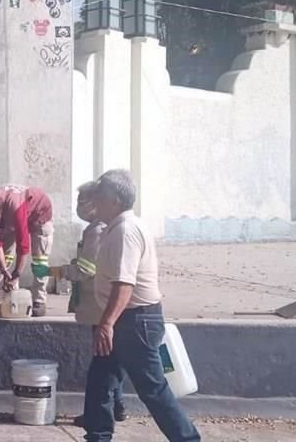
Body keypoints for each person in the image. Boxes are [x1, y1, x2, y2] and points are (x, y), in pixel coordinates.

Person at [82, 169, 201, 442]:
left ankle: (188, 439)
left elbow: (125, 284)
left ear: (114, 201)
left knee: (152, 388)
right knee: (101, 380)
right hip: (125, 319)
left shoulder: (125, 230)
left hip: (133, 321)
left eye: (98, 197)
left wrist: (107, 324)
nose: (93, 203)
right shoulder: (118, 227)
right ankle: (98, 436)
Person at [53, 181, 126, 427]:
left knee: (103, 363)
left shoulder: (96, 230)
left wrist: (58, 271)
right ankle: (117, 407)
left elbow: (86, 270)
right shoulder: (106, 227)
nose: (78, 208)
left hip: (98, 305)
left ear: (96, 203)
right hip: (102, 303)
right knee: (111, 359)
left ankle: (97, 416)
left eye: (82, 202)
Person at [0, 184, 54, 316]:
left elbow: (23, 247)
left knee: (40, 259)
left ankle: (39, 300)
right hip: (11, 217)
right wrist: (4, 269)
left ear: (0, 218)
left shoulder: (16, 210)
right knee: (5, 253)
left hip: (40, 215)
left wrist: (16, 274)